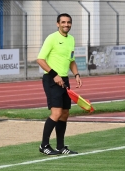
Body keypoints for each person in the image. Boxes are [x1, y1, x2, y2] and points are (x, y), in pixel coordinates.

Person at [37, 13, 82, 155]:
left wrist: (76, 75)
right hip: (51, 80)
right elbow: (40, 59)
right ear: (58, 24)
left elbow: (71, 60)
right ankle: (44, 145)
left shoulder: (71, 39)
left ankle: (61, 147)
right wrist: (54, 75)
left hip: (65, 80)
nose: (66, 24)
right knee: (56, 113)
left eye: (68, 22)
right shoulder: (51, 38)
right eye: (63, 22)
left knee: (65, 113)